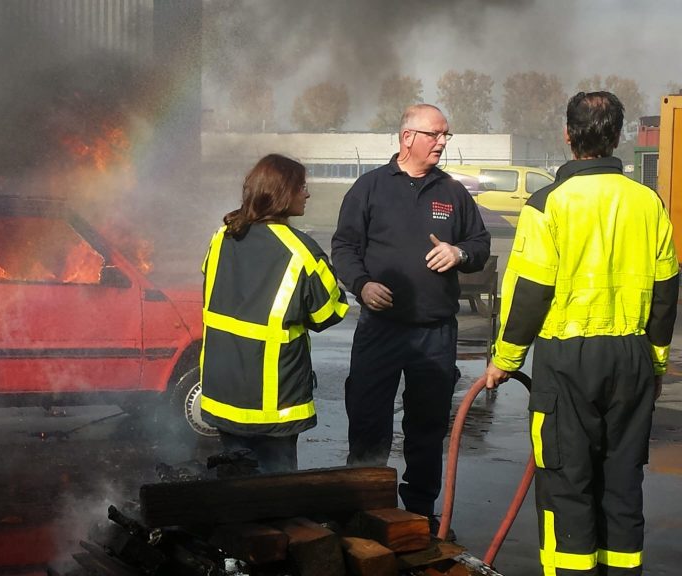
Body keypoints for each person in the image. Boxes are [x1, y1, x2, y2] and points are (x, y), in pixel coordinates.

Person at [484, 91, 678, 575]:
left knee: (567, 483)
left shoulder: (548, 203)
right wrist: (655, 363)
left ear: (567, 136)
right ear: (618, 135)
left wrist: (505, 361)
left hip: (567, 362)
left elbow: (529, 292)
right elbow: (666, 291)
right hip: (632, 358)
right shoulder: (648, 202)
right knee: (621, 483)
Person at [332, 104, 491, 533]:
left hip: (435, 331)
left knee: (427, 425)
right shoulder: (369, 189)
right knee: (368, 420)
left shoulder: (452, 192)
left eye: (446, 136)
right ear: (408, 138)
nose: (443, 142)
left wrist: (460, 253)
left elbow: (479, 243)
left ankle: (419, 513)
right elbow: (344, 249)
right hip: (380, 329)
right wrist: (362, 285)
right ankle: (365, 507)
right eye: (436, 134)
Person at [200, 153, 349, 473]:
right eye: (302, 187)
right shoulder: (301, 250)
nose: (307, 194)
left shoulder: (221, 238)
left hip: (223, 395)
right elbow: (330, 313)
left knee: (233, 494)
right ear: (283, 194)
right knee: (275, 497)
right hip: (273, 405)